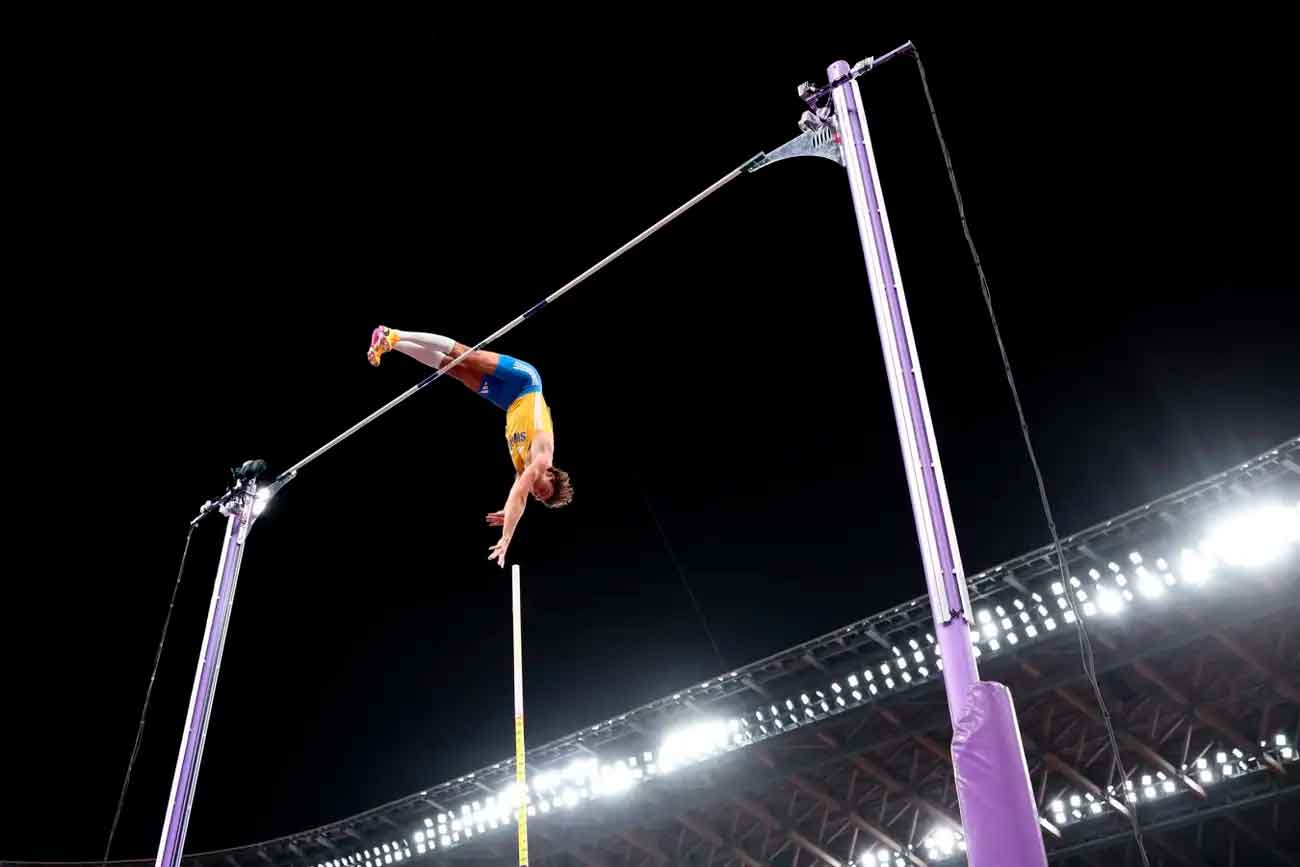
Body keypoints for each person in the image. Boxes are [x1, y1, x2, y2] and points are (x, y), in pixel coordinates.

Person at [368, 327, 573, 566]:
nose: (538, 494)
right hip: (526, 382)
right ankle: (394, 333)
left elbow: (516, 494)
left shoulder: (523, 467)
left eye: (541, 499)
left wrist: (508, 513)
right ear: (552, 475)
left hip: (509, 400)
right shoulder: (541, 460)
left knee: (455, 370)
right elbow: (519, 496)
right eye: (546, 491)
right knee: (466, 356)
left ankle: (391, 344)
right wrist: (506, 538)